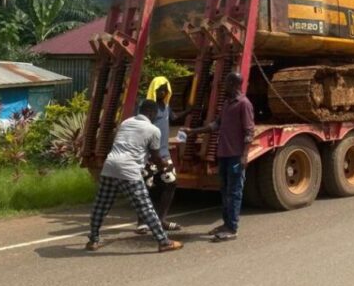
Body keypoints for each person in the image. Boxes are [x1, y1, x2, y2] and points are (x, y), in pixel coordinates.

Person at [86, 99, 183, 253]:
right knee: (146, 208)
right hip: (129, 170)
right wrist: (163, 165)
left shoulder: (126, 123)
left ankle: (93, 240)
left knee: (101, 205)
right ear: (151, 113)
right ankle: (164, 242)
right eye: (155, 114)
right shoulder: (153, 130)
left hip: (110, 167)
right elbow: (156, 157)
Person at [182, 72, 254, 242]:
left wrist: (244, 156)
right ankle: (226, 224)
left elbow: (249, 132)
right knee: (225, 191)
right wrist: (193, 131)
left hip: (236, 156)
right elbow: (216, 125)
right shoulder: (227, 103)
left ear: (234, 84)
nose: (224, 86)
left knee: (234, 192)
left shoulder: (244, 104)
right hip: (224, 155)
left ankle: (232, 228)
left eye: (227, 82)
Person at [135, 76, 189, 235]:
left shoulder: (165, 106)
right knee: (146, 188)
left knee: (171, 183)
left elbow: (174, 117)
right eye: (160, 89)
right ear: (154, 89)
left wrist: (189, 110)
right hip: (148, 156)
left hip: (164, 155)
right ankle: (141, 222)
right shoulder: (145, 107)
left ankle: (161, 219)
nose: (162, 92)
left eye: (165, 90)